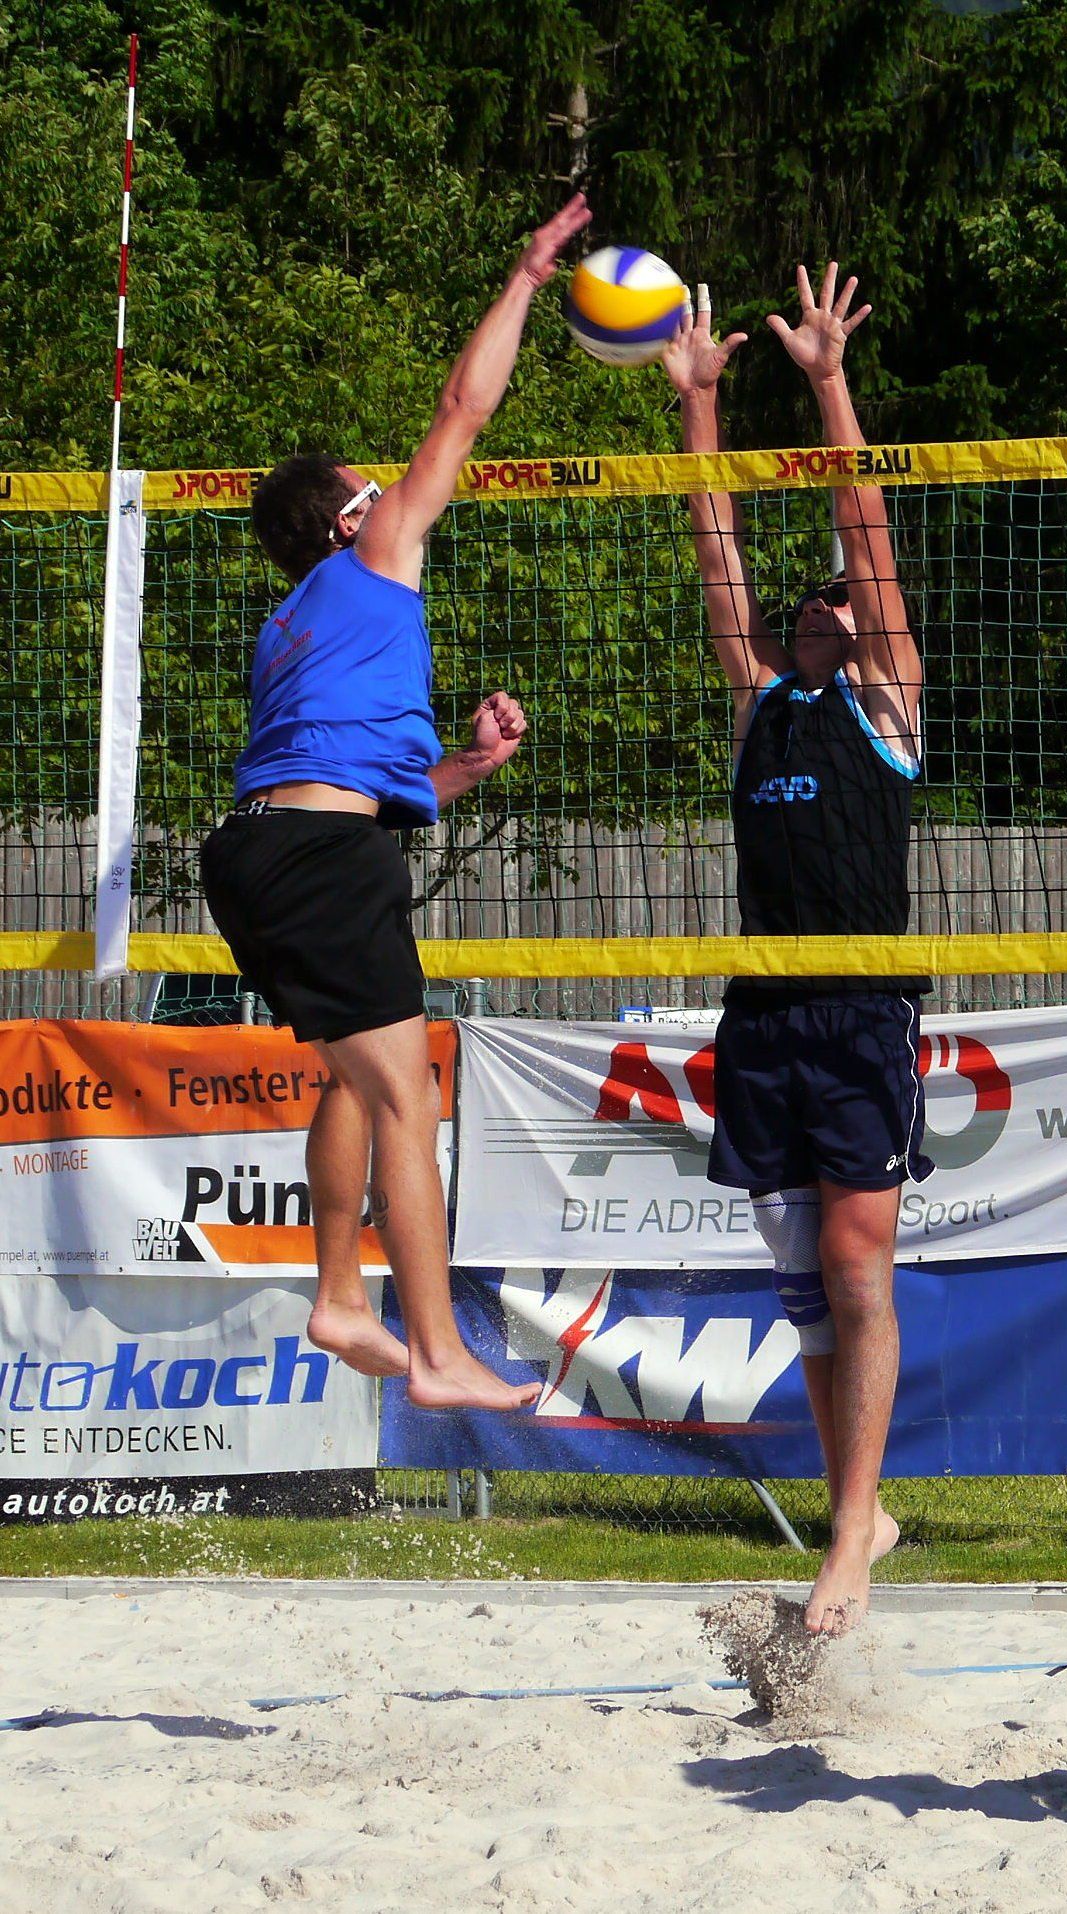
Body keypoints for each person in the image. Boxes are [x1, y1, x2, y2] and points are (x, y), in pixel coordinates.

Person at [201, 192, 592, 1412]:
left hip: (260, 853)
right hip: (316, 862)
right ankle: (434, 1352)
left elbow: (356, 784)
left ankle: (337, 1297)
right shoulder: (372, 560)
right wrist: (526, 277)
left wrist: (465, 767)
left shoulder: (287, 627)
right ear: (348, 516)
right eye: (374, 487)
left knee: (351, 1077)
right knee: (406, 1096)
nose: (395, 491)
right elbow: (463, 407)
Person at [663, 264, 934, 1633]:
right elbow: (715, 548)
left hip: (859, 1013)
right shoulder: (759, 701)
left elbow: (864, 530)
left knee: (856, 1262)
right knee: (805, 1292)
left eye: (844, 598)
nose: (830, 601)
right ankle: (857, 1511)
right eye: (813, 598)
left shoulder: (884, 705)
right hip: (763, 1018)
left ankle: (846, 1537)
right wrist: (699, 404)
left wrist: (828, 381)